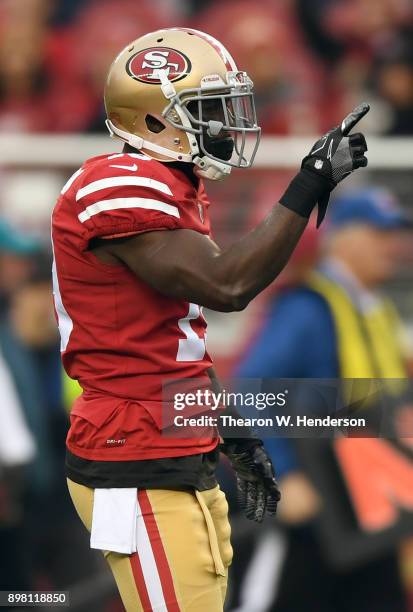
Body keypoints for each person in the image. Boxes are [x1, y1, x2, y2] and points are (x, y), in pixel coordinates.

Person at [51, 27, 369, 611]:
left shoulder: (168, 185)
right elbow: (228, 287)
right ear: (151, 120)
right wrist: (308, 185)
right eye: (208, 111)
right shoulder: (116, 186)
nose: (226, 125)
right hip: (134, 453)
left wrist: (232, 433)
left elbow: (177, 345)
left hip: (167, 441)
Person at [236, 187, 412, 612]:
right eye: (380, 233)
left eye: (397, 234)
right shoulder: (309, 308)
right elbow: (251, 390)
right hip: (317, 504)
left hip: (366, 503)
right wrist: (281, 473)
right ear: (343, 237)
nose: (396, 245)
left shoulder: (374, 308)